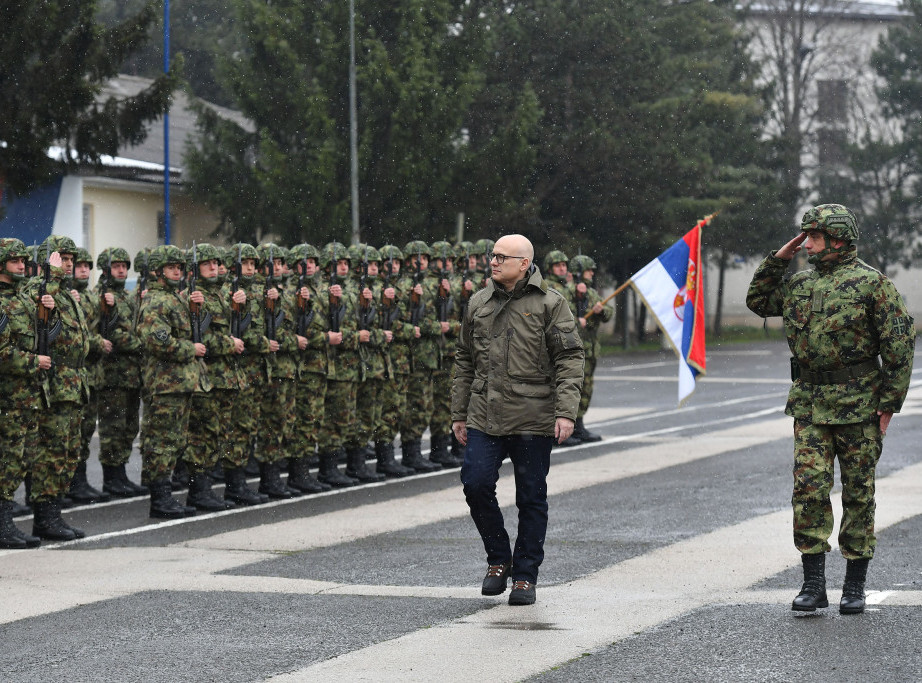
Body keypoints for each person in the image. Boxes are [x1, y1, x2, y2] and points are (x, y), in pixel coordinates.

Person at [746, 203, 915, 615]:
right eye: (804, 238)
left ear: (838, 239)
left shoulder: (873, 285)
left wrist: (889, 404)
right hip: (809, 403)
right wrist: (778, 259)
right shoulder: (800, 283)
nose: (807, 245)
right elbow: (758, 300)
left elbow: (899, 345)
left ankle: (854, 585)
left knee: (858, 493)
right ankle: (814, 584)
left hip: (860, 405)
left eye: (814, 237)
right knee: (809, 491)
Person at [451, 234, 584, 606]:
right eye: (491, 255)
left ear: (524, 264)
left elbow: (570, 358)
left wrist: (565, 411)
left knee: (531, 497)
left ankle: (525, 576)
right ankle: (499, 559)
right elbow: (464, 359)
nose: (492, 262)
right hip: (484, 415)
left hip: (533, 416)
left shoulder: (550, 304)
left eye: (501, 257)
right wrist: (459, 413)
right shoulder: (478, 302)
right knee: (475, 484)